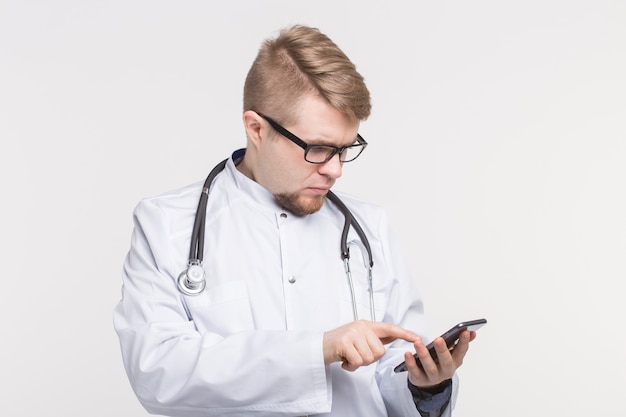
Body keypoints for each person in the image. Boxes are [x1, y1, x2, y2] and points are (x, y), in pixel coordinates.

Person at [113, 24, 478, 417]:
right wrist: (319, 348)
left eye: (345, 148)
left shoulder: (368, 227)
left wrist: (425, 385)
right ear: (256, 128)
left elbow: (388, 376)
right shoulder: (166, 224)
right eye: (319, 148)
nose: (335, 170)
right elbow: (158, 375)